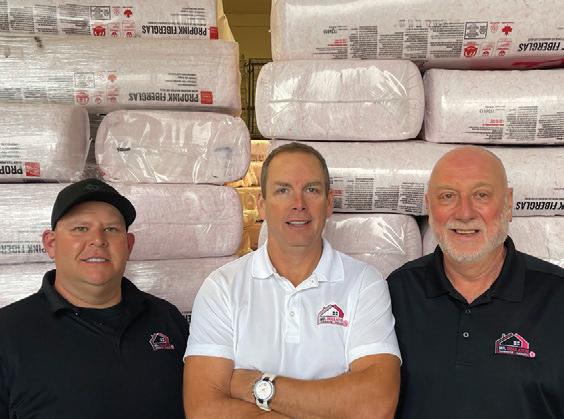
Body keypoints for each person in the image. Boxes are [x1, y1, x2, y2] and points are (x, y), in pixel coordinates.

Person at [184, 142, 401, 418]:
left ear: (329, 203)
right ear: (262, 206)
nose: (299, 204)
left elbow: (375, 406)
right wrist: (334, 405)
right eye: (283, 190)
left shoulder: (364, 284)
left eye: (311, 190)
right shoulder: (222, 288)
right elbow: (204, 410)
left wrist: (255, 386)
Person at [388, 146, 564, 419]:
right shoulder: (398, 292)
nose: (465, 213)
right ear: (429, 207)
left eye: (481, 195)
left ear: (508, 204)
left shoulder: (557, 297)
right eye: (448, 196)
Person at [0, 178, 188, 419]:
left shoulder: (166, 318)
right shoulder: (8, 331)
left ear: (128, 245)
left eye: (111, 229)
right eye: (80, 228)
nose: (98, 239)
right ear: (51, 243)